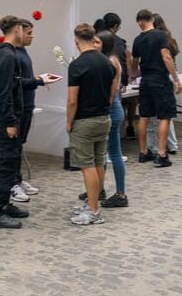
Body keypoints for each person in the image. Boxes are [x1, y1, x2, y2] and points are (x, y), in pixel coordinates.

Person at [66, 24, 115, 226]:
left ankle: (94, 210)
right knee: (98, 163)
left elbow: (72, 100)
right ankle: (93, 203)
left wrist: (69, 122)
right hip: (104, 118)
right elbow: (112, 92)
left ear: (77, 41)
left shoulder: (77, 65)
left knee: (87, 166)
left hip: (84, 120)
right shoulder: (107, 62)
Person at [0, 16, 32, 229]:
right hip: (7, 118)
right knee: (6, 162)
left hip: (11, 115)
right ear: (17, 29)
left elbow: (13, 85)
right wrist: (10, 121)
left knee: (11, 161)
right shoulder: (6, 55)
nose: (27, 35)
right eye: (25, 30)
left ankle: (4, 204)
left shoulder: (7, 53)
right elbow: (3, 92)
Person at [131, 9, 182, 167]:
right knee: (164, 117)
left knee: (144, 116)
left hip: (145, 81)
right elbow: (166, 57)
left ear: (140, 22)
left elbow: (134, 61)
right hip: (159, 79)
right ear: (151, 19)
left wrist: (133, 75)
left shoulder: (138, 39)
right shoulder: (160, 36)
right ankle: (161, 153)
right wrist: (175, 79)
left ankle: (143, 151)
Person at [12, 20, 48, 199]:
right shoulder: (12, 54)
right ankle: (12, 183)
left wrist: (36, 79)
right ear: (19, 32)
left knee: (20, 145)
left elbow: (24, 78)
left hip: (27, 103)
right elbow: (16, 82)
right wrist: (38, 81)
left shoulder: (23, 52)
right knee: (13, 146)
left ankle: (17, 179)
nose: (32, 36)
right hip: (18, 106)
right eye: (29, 33)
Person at [96, 30, 128, 208]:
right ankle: (99, 188)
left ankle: (120, 193)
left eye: (97, 43)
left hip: (111, 110)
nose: (94, 45)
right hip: (114, 108)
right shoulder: (111, 60)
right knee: (105, 153)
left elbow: (111, 91)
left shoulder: (110, 62)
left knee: (113, 153)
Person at [144, 13, 181, 155]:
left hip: (158, 78)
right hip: (169, 77)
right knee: (167, 115)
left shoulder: (152, 39)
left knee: (154, 116)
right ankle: (172, 145)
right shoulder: (170, 39)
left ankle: (153, 146)